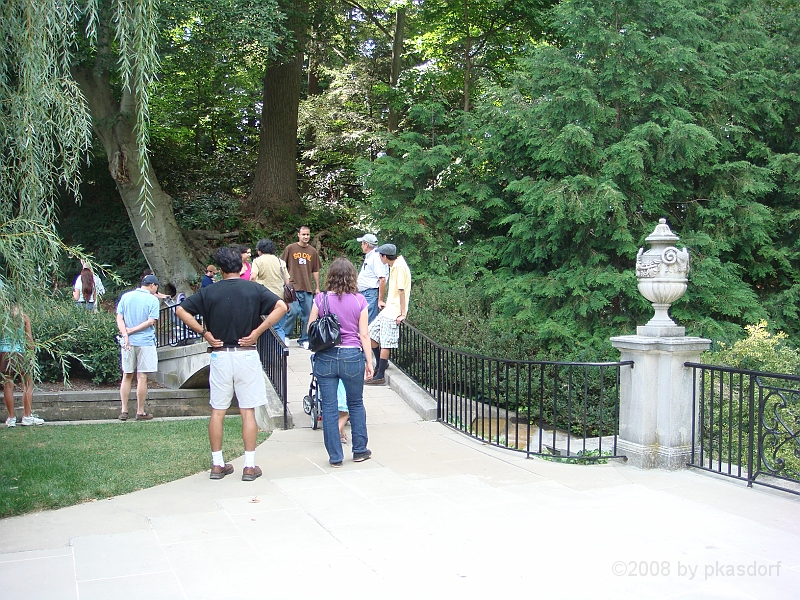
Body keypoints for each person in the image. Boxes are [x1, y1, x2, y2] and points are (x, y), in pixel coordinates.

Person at [176, 247, 288, 482]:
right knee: (248, 410)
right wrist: (257, 332)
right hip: (246, 353)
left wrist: (204, 332)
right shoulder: (254, 289)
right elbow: (281, 307)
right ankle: (249, 466)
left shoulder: (210, 291)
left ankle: (217, 464)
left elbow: (180, 310)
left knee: (218, 410)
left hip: (220, 354)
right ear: (241, 266)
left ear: (219, 269)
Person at [307, 257, 373, 467]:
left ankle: (335, 456)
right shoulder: (360, 301)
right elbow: (364, 334)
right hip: (352, 356)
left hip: (325, 356)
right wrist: (369, 361)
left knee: (329, 406)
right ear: (352, 277)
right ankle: (360, 450)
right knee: (355, 403)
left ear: (330, 276)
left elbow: (310, 328)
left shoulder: (321, 299)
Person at [116, 274, 160, 421]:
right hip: (145, 341)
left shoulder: (126, 296)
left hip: (127, 342)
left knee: (127, 375)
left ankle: (124, 411)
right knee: (142, 377)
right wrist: (133, 330)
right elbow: (150, 322)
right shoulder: (153, 300)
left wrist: (125, 334)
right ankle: (140, 411)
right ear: (152, 285)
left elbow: (119, 317)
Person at [366, 244, 411, 386]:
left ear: (385, 256)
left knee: (386, 341)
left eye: (380, 256)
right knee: (370, 333)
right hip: (389, 309)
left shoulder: (399, 267)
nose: (380, 258)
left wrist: (403, 313)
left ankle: (380, 376)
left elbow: (402, 290)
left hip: (394, 312)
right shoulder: (394, 265)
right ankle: (381, 363)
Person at [1, 306, 43, 427]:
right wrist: (31, 353)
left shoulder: (2, 318)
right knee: (28, 383)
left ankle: (11, 418)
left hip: (4, 353)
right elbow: (29, 339)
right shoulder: (23, 317)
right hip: (20, 353)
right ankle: (27, 416)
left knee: (8, 385)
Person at [281, 226, 321, 348]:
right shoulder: (290, 248)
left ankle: (304, 338)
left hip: (307, 287)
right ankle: (286, 335)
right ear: (298, 235)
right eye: (303, 234)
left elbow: (315, 270)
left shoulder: (312, 251)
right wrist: (284, 282)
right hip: (292, 287)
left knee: (308, 314)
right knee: (293, 311)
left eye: (308, 234)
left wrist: (317, 287)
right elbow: (282, 265)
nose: (306, 237)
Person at [250, 238, 290, 342]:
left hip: (264, 299)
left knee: (265, 327)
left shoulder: (257, 261)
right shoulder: (280, 261)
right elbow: (287, 281)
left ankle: (270, 352)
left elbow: (253, 277)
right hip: (280, 298)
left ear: (259, 250)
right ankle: (281, 351)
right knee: (278, 327)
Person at [356, 234, 387, 325]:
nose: (361, 245)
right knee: (362, 323)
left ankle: (367, 340)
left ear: (366, 245)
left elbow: (382, 279)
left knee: (368, 325)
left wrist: (380, 300)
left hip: (370, 294)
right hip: (365, 294)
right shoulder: (370, 256)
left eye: (362, 243)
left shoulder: (376, 257)